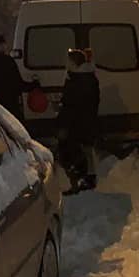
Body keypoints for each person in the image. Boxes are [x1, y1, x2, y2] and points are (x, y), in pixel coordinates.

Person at [57, 49, 100, 193]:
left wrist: (64, 110)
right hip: (83, 120)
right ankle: (85, 178)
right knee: (84, 149)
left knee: (78, 150)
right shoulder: (83, 77)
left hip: (79, 121)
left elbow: (74, 103)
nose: (66, 64)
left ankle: (81, 180)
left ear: (74, 63)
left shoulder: (80, 80)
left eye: (69, 61)